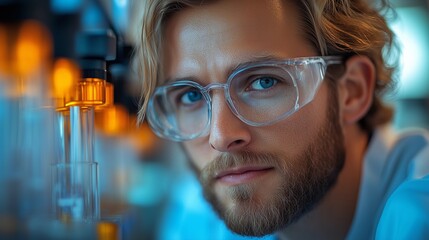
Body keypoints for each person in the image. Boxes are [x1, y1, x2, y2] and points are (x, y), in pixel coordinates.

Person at [134, 0, 429, 239]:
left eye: (263, 82)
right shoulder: (197, 216)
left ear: (352, 91)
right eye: (190, 96)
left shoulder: (418, 212)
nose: (221, 136)